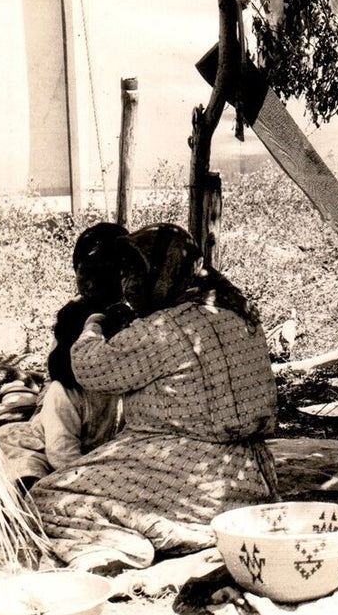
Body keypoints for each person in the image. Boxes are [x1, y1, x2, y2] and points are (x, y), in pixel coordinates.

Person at [28, 224, 279, 573]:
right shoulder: (239, 312)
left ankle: (124, 548)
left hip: (183, 467)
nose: (129, 282)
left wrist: (95, 325)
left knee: (49, 496)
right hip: (249, 475)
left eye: (136, 270)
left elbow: (89, 368)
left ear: (163, 272)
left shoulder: (163, 329)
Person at [0, 223, 131, 487]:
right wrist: (87, 481)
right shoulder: (66, 391)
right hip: (52, 448)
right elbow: (61, 454)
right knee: (25, 465)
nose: (90, 284)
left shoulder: (127, 322)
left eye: (100, 275)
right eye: (85, 274)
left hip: (97, 455)